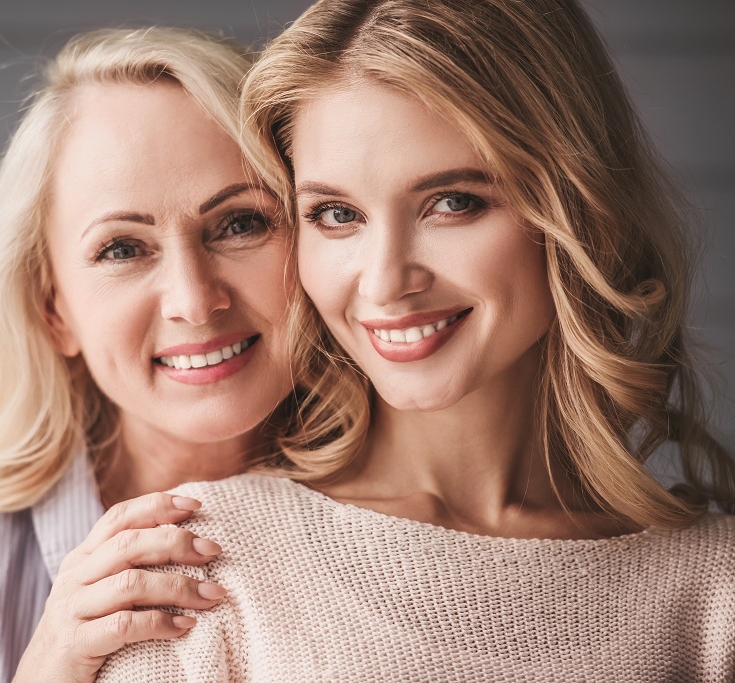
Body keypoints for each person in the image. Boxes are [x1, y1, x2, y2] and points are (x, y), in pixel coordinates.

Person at [97, 1, 735, 680]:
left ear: (575, 206)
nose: (385, 281)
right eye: (337, 214)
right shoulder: (201, 566)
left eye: (454, 202)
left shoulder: (714, 590)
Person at [0, 27, 297, 682]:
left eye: (240, 222)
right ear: (54, 310)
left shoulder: (419, 517)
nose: (194, 298)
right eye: (122, 249)